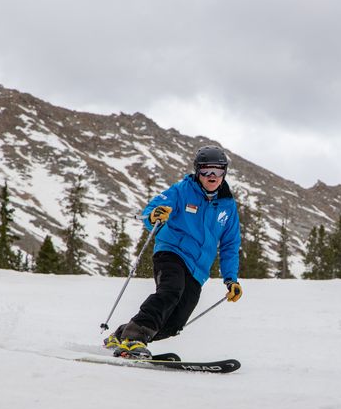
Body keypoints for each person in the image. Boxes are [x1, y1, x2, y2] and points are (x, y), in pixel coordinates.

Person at [104, 145, 243, 358]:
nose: (212, 176)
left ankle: (123, 333)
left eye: (218, 171)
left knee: (175, 324)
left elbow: (230, 245)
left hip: (198, 269)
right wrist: (153, 217)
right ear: (198, 172)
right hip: (171, 253)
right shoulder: (182, 190)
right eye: (206, 171)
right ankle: (134, 339)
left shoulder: (227, 206)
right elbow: (153, 210)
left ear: (225, 172)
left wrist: (231, 279)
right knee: (171, 290)